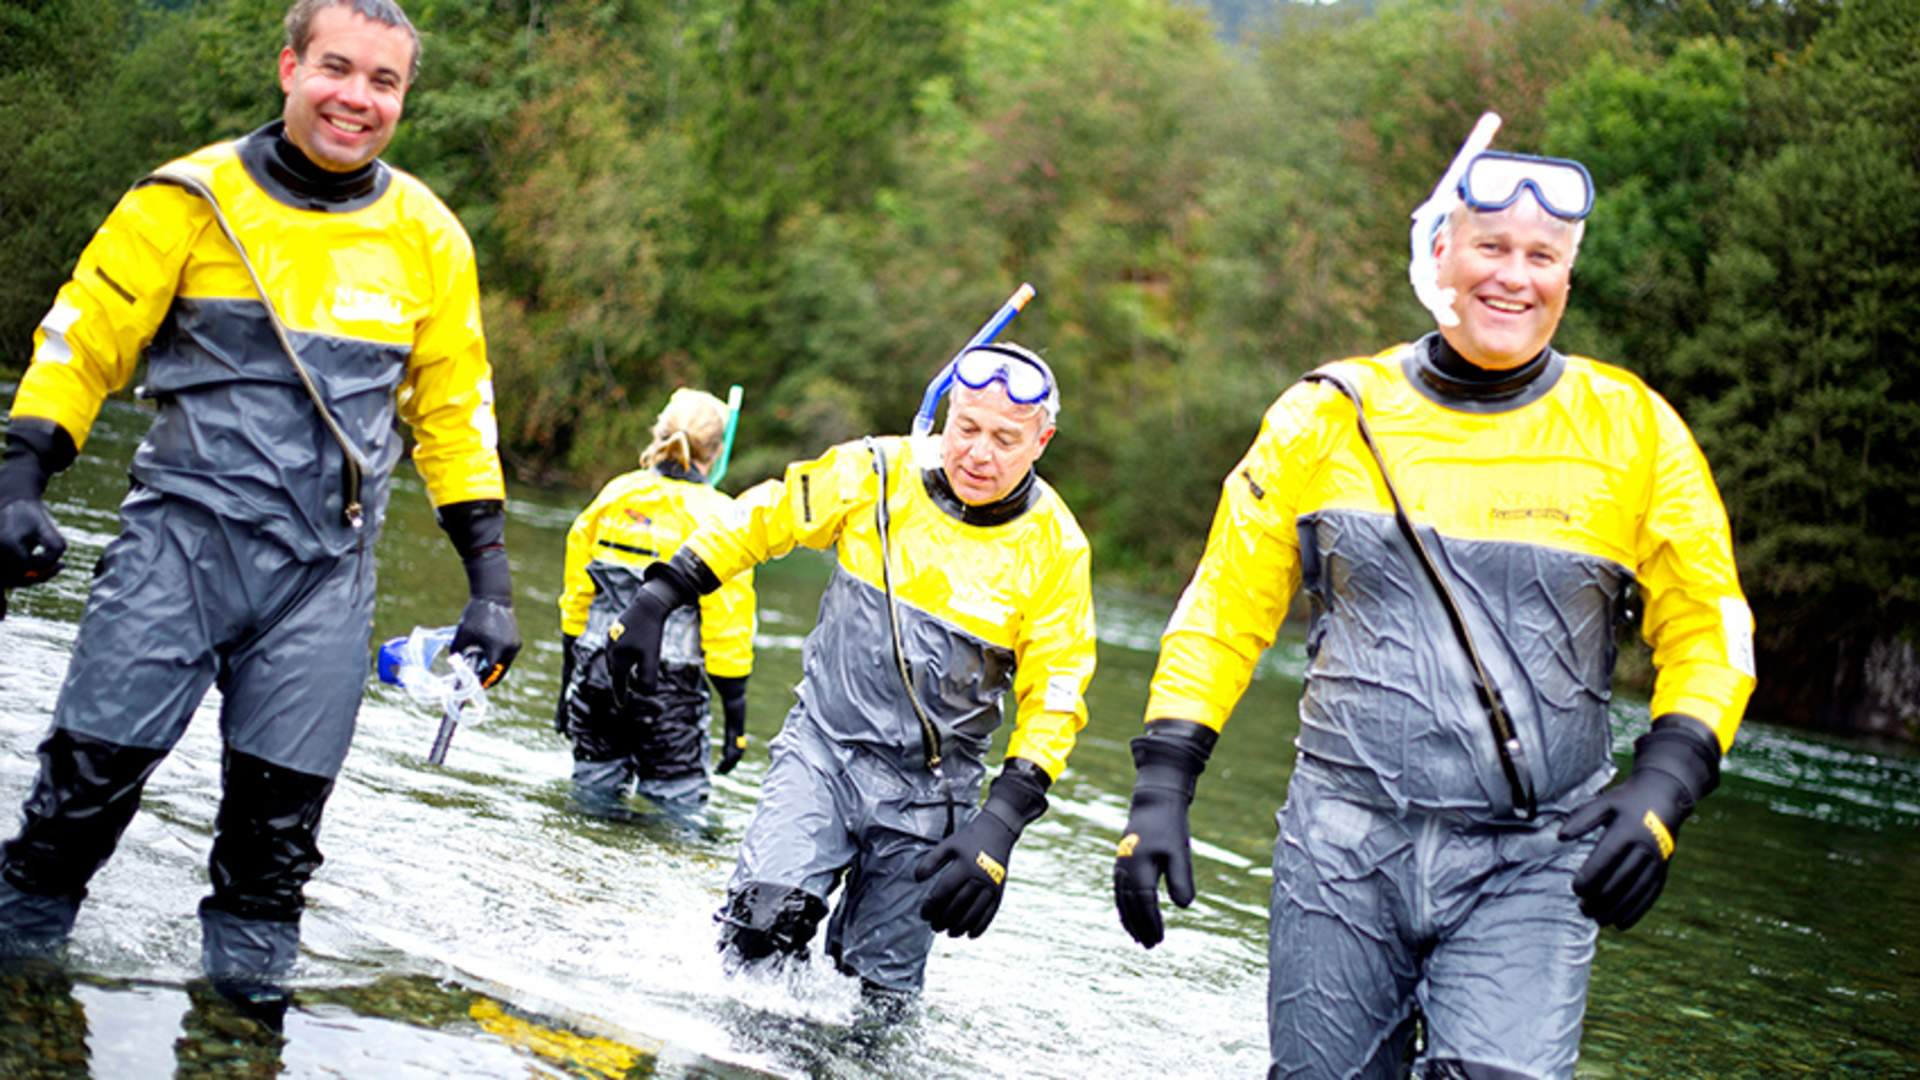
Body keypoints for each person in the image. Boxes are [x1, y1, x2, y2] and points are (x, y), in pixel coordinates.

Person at [1112, 127, 1756, 1077]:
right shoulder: (1326, 415)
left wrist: (1665, 789)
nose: (1515, 276)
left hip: (1533, 859)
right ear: (1437, 253)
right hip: (1341, 840)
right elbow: (1221, 610)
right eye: (1492, 246)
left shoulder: (1634, 430)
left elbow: (1710, 628)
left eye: (1543, 257)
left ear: (1567, 281)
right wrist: (1163, 783)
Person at [0, 0, 520, 1013]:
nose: (355, 98)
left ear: (403, 98)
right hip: (174, 551)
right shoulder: (184, 201)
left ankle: (239, 1039)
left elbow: (455, 417)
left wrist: (492, 583)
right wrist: (22, 480)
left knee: (273, 857)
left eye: (383, 82)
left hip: (323, 580)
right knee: (71, 817)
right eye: (337, 69)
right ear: (289, 67)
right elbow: (82, 343)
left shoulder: (429, 237)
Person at [606, 342, 1096, 1003]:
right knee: (757, 935)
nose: (980, 454)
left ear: (1043, 441)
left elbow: (1058, 694)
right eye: (968, 428)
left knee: (877, 1006)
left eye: (1006, 440)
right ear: (947, 415)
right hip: (824, 752)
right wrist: (663, 592)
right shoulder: (876, 471)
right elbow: (762, 517)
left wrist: (1002, 820)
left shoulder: (1058, 550)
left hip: (933, 794)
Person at [555, 388, 756, 818]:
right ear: (717, 451)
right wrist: (735, 718)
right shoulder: (722, 518)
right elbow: (728, 626)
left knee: (591, 797)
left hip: (597, 673)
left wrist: (565, 684)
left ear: (658, 434)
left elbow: (576, 597)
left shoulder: (614, 495)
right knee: (678, 813)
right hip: (670, 687)